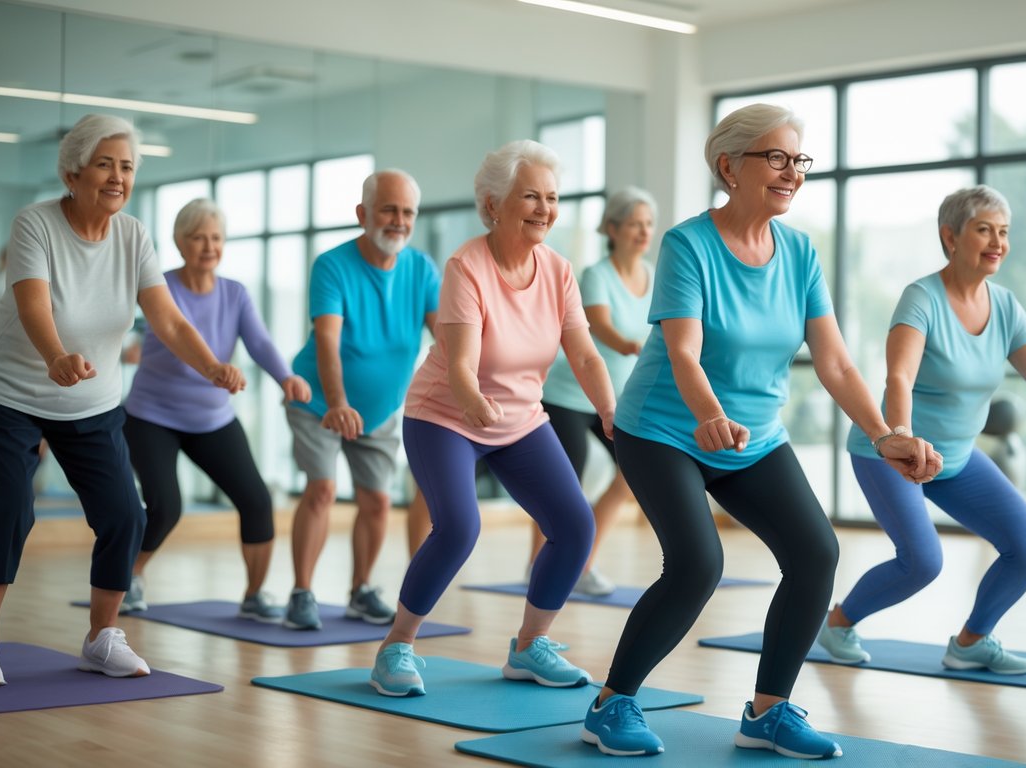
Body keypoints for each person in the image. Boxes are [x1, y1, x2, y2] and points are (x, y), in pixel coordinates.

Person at [581, 104, 940, 760]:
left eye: (797, 159)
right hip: (663, 429)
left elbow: (832, 361)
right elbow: (682, 352)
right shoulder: (688, 244)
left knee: (815, 553)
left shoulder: (799, 251)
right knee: (696, 563)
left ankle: (767, 712)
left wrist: (885, 433)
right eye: (775, 157)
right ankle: (612, 704)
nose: (791, 171)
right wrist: (708, 414)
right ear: (729, 167)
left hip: (753, 437)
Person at [0, 114, 244, 687]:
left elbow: (167, 319)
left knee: (125, 514)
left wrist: (211, 365)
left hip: (91, 402)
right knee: (12, 507)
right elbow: (35, 305)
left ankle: (101, 637)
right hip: (7, 392)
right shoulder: (34, 223)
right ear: (73, 171)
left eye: (128, 166)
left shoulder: (133, 235)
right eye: (106, 163)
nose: (118, 176)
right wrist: (56, 355)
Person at [817, 185, 1026, 678]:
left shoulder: (1006, 306)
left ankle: (972, 642)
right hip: (891, 453)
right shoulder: (922, 297)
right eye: (984, 230)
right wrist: (902, 436)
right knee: (922, 563)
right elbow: (900, 376)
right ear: (949, 236)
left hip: (956, 456)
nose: (997, 242)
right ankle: (838, 623)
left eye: (1004, 232)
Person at [369, 139, 616, 698]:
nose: (544, 208)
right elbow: (459, 362)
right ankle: (396, 647)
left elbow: (584, 354)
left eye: (551, 197)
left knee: (575, 525)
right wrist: (474, 402)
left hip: (521, 421)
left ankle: (531, 646)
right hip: (445, 417)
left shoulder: (557, 271)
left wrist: (609, 409)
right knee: (459, 527)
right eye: (530, 196)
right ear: (493, 204)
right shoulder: (467, 266)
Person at [120, 198, 312, 620]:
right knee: (167, 505)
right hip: (152, 416)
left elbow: (259, 341)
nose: (208, 246)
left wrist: (286, 377)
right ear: (179, 242)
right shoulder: (161, 288)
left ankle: (255, 594)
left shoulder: (235, 293)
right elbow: (177, 336)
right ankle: (129, 577)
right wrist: (214, 367)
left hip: (212, 418)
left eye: (216, 238)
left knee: (257, 501)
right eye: (198, 237)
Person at [283, 169, 440, 631]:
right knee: (323, 490)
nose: (398, 220)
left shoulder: (421, 268)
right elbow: (327, 341)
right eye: (388, 209)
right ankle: (302, 593)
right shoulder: (332, 265)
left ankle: (360, 590)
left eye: (407, 212)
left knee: (375, 501)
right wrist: (337, 402)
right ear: (363, 214)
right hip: (319, 403)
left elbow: (445, 335)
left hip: (382, 409)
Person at [533, 186, 657, 597]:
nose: (644, 231)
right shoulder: (596, 275)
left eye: (648, 224)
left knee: (632, 477)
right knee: (563, 484)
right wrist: (628, 344)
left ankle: (583, 564)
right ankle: (539, 566)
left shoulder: (653, 276)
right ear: (612, 228)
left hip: (617, 399)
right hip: (569, 394)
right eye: (635, 223)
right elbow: (598, 324)